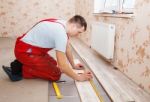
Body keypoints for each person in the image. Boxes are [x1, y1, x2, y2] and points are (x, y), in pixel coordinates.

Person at [3, 15, 93, 82]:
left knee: (54, 64)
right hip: (25, 51)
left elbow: (67, 48)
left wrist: (73, 65)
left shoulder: (63, 24)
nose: (78, 35)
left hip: (32, 48)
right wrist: (79, 78)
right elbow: (63, 65)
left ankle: (22, 62)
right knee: (55, 74)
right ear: (73, 26)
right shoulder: (60, 33)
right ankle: (17, 69)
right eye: (79, 32)